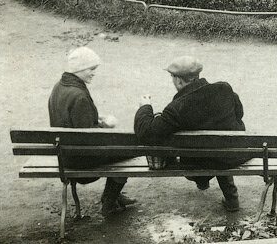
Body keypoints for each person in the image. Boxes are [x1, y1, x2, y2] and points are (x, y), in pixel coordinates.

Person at [135, 56, 245, 213]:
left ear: (179, 80)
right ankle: (232, 199)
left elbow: (146, 133)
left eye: (172, 78)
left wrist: (145, 107)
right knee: (219, 146)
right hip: (234, 155)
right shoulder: (225, 88)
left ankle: (202, 180)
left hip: (199, 164)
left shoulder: (177, 108)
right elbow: (239, 114)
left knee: (208, 152)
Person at [49, 47, 136, 217]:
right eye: (91, 69)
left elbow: (73, 123)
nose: (93, 73)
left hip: (65, 155)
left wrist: (95, 120)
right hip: (81, 159)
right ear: (79, 69)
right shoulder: (79, 95)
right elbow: (89, 139)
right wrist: (106, 126)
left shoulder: (59, 87)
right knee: (130, 149)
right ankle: (109, 201)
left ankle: (113, 196)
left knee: (122, 147)